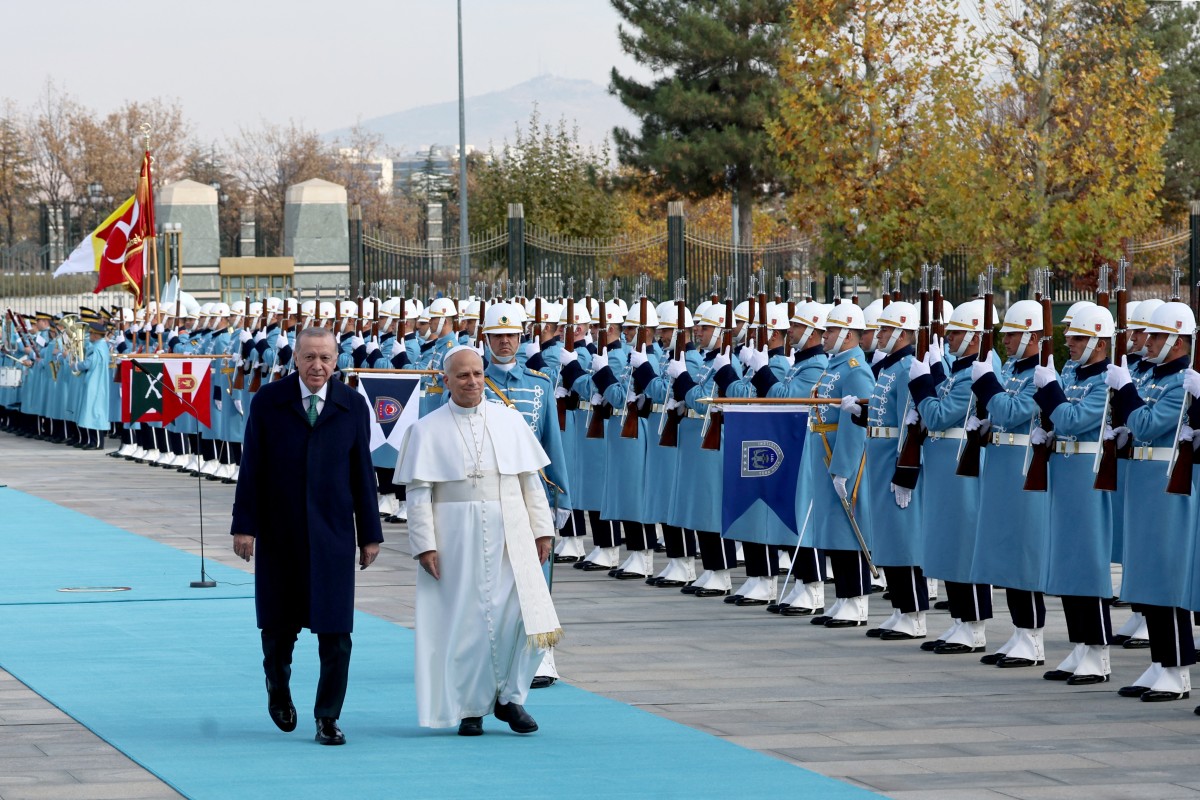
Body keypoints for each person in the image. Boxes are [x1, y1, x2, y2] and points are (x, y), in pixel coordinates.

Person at [394, 345, 562, 736]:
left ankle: (510, 698)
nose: (472, 381)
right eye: (463, 375)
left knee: (522, 618)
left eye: (477, 374)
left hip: (511, 535)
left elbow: (530, 481)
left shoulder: (510, 421)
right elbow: (418, 494)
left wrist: (542, 530)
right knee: (468, 623)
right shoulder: (426, 430)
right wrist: (424, 544)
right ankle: (471, 708)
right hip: (455, 537)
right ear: (446, 381)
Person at [230, 326, 383, 747]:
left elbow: (362, 473)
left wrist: (369, 535)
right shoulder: (269, 401)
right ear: (295, 358)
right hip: (281, 533)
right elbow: (252, 468)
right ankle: (277, 688)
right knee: (278, 630)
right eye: (310, 357)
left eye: (326, 358)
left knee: (336, 634)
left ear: (337, 362)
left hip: (333, 535)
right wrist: (244, 526)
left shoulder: (352, 404)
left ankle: (327, 717)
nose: (318, 366)